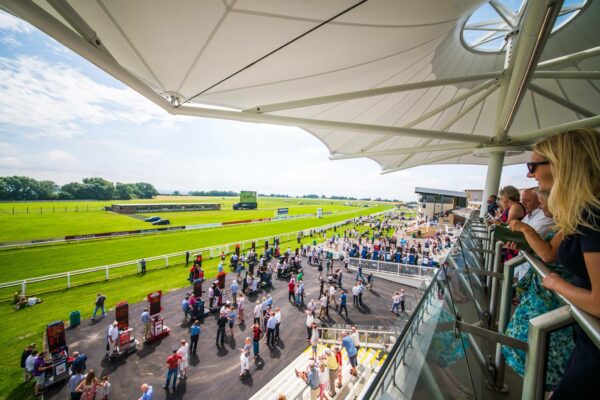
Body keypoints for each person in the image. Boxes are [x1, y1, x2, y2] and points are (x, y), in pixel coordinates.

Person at [516, 128, 600, 398]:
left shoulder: (592, 212)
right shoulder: (584, 209)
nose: (530, 174)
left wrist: (557, 284)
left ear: (561, 164)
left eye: (533, 166)